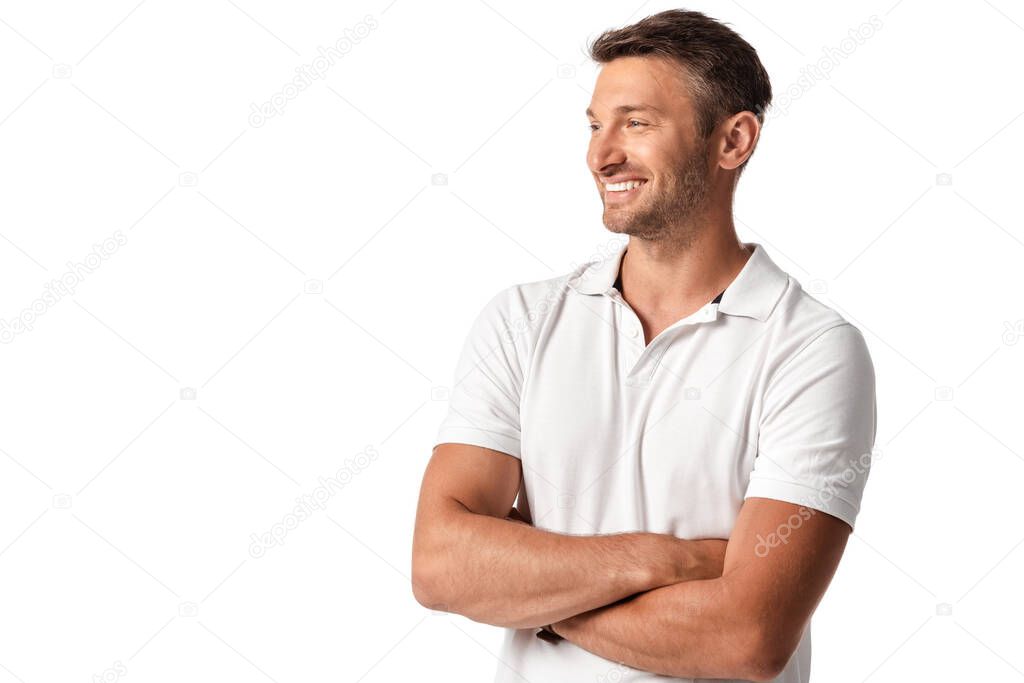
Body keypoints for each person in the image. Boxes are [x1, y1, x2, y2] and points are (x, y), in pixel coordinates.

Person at [412, 9, 877, 682]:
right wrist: (669, 559)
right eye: (596, 125)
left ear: (733, 140)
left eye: (636, 122)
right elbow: (438, 564)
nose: (602, 154)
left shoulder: (811, 350)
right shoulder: (522, 320)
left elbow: (745, 638)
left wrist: (527, 592)